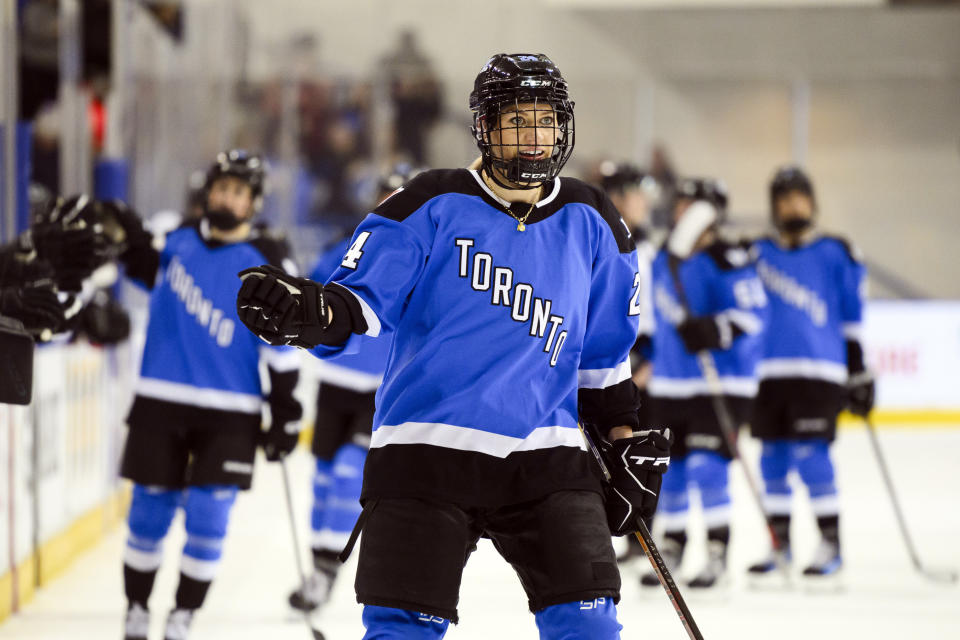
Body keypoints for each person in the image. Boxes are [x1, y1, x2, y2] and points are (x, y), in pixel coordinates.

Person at [236, 53, 671, 639]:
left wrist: (623, 444)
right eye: (517, 120)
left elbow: (602, 361)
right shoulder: (428, 201)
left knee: (591, 627)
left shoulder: (594, 218)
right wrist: (311, 313)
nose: (533, 137)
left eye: (543, 121)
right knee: (402, 632)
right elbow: (357, 307)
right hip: (425, 453)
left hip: (548, 457)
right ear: (486, 128)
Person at [113, 150, 303, 640]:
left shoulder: (269, 260)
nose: (227, 197)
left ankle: (182, 616)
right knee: (149, 512)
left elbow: (281, 347)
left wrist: (286, 413)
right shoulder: (173, 240)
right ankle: (136, 609)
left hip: (232, 413)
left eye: (239, 191)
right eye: (222, 188)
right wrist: (122, 235)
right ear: (207, 192)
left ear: (254, 203)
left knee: (208, 517)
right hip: (160, 401)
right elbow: (137, 264)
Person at [286, 167, 419, 612]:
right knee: (324, 479)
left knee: (347, 471)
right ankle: (316, 570)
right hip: (333, 384)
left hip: (380, 390)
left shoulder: (423, 254)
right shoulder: (343, 248)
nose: (388, 202)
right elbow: (310, 302)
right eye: (384, 195)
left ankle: (326, 574)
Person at [640, 178, 768, 590]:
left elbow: (754, 316)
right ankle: (673, 547)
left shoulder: (727, 257)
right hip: (672, 382)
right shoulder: (664, 259)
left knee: (706, 467)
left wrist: (715, 329)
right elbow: (652, 316)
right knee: (672, 472)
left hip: (722, 382)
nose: (680, 212)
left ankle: (716, 552)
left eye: (688, 205)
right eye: (678, 203)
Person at [748, 166, 873, 583]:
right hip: (767, 373)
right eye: (783, 199)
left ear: (812, 202)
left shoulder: (837, 251)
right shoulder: (756, 253)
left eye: (799, 197)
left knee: (811, 456)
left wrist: (858, 370)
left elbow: (853, 315)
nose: (791, 206)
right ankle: (779, 545)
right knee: (772, 460)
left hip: (820, 372)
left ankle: (831, 543)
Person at [596, 161, 658, 565]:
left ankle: (642, 536)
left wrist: (650, 364)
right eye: (636, 193)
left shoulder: (650, 247)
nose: (645, 202)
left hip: (637, 367)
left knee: (639, 456)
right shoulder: (599, 243)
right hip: (608, 368)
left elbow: (657, 320)